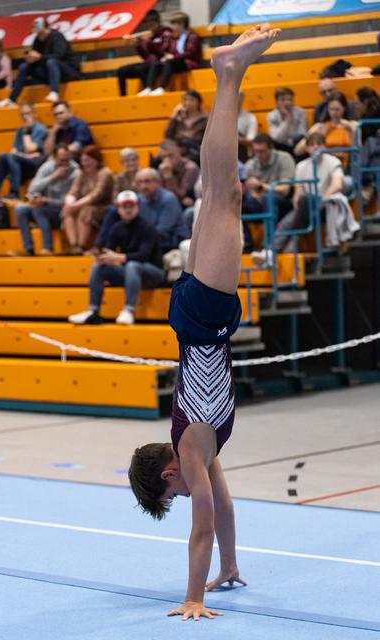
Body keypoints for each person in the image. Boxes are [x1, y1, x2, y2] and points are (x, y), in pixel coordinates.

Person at [128, 24, 280, 622]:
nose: (187, 490)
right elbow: (222, 507)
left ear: (169, 473)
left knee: (224, 194)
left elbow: (200, 527)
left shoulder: (190, 445)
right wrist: (231, 566)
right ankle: (229, 73)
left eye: (174, 491)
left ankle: (228, 71)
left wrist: (193, 595)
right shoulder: (202, 450)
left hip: (203, 321)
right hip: (197, 319)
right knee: (222, 192)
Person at [68, 190, 165, 326]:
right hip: (131, 273)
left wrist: (119, 257)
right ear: (118, 209)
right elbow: (109, 251)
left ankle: (128, 310)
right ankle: (93, 311)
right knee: (98, 267)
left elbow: (144, 255)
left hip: (154, 274)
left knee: (133, 264)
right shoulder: (116, 228)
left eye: (131, 206)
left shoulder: (147, 227)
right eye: (124, 206)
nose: (128, 210)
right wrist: (103, 258)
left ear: (137, 207)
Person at [252, 132, 345, 264]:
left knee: (303, 203)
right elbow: (298, 193)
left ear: (325, 146)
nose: (316, 148)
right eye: (312, 145)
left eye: (319, 144)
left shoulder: (333, 161)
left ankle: (276, 250)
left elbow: (337, 185)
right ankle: (274, 251)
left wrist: (322, 200)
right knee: (287, 221)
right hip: (305, 205)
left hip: (326, 202)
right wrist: (298, 208)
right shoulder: (301, 166)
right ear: (306, 148)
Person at [0, 17, 80, 108]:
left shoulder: (57, 36)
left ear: (47, 29)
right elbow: (38, 58)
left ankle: (54, 92)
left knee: (52, 62)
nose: (39, 35)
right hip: (49, 73)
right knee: (24, 66)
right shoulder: (37, 40)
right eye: (37, 33)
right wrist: (31, 59)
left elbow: (59, 55)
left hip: (67, 71)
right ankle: (11, 99)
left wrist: (40, 57)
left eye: (41, 32)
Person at [10, 143, 79, 256]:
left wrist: (46, 200)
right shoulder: (47, 167)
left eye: (67, 160)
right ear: (54, 158)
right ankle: (28, 249)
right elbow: (31, 190)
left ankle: (47, 248)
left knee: (38, 208)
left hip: (63, 211)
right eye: (61, 160)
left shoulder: (75, 172)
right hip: (45, 207)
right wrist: (52, 177)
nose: (65, 164)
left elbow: (70, 202)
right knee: (20, 209)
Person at [62, 145, 115, 254]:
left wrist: (76, 205)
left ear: (96, 160)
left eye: (88, 160)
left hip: (104, 206)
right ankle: (74, 245)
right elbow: (73, 191)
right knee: (67, 209)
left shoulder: (105, 173)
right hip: (85, 204)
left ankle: (81, 246)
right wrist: (70, 202)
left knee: (86, 210)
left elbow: (97, 195)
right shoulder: (82, 173)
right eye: (83, 160)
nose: (85, 163)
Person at [0, 103, 47, 199]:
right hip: (21, 162)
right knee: (2, 156)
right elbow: (13, 151)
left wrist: (26, 132)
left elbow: (30, 149)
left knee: (11, 157)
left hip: (36, 165)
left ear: (34, 114)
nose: (25, 117)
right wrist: (24, 155)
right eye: (22, 115)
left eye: (28, 114)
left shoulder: (41, 129)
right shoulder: (19, 131)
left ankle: (14, 192)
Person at [143, 12, 202, 97]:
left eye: (175, 24)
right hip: (177, 61)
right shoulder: (175, 37)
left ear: (182, 24)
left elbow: (190, 52)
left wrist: (173, 57)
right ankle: (148, 87)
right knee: (156, 63)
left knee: (169, 62)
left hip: (189, 62)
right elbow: (169, 51)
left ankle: (162, 87)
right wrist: (166, 56)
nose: (173, 27)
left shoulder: (192, 36)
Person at [117, 10, 173, 97]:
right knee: (121, 70)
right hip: (148, 63)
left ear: (158, 22)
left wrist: (150, 43)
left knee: (141, 69)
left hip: (158, 64)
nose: (150, 28)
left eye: (152, 25)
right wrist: (138, 46)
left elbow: (163, 53)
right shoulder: (151, 35)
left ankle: (148, 89)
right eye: (148, 26)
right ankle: (123, 96)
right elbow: (146, 56)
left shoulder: (166, 33)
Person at [295, 92, 357, 166]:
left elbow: (359, 152)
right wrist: (312, 134)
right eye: (331, 109)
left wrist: (350, 132)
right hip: (324, 166)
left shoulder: (353, 125)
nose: (334, 113)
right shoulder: (320, 126)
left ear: (344, 108)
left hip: (346, 166)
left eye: (337, 109)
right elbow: (297, 151)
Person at [244, 133, 295, 221]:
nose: (258, 155)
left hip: (282, 201)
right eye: (255, 151)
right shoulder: (250, 164)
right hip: (258, 201)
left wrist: (260, 186)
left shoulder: (284, 158)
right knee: (237, 203)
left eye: (262, 151)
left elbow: (284, 190)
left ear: (271, 148)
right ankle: (244, 235)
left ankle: (270, 235)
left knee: (268, 198)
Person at [164, 90, 208, 162]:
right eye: (185, 100)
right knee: (157, 161)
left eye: (191, 99)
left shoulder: (205, 118)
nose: (188, 102)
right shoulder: (178, 118)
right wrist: (174, 115)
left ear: (199, 102)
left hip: (196, 150)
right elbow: (167, 135)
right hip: (179, 150)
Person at [157, 139, 200, 209]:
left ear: (179, 152)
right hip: (171, 204)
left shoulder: (190, 168)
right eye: (163, 157)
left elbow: (181, 194)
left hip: (191, 205)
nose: (167, 160)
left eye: (170, 155)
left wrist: (169, 177)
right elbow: (158, 194)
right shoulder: (161, 168)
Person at [267, 87, 307, 154]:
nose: (287, 103)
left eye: (290, 100)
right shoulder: (272, 115)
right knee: (273, 142)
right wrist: (287, 120)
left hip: (297, 147)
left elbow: (302, 134)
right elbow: (276, 138)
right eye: (283, 100)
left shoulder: (301, 113)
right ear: (276, 102)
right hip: (281, 147)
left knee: (299, 139)